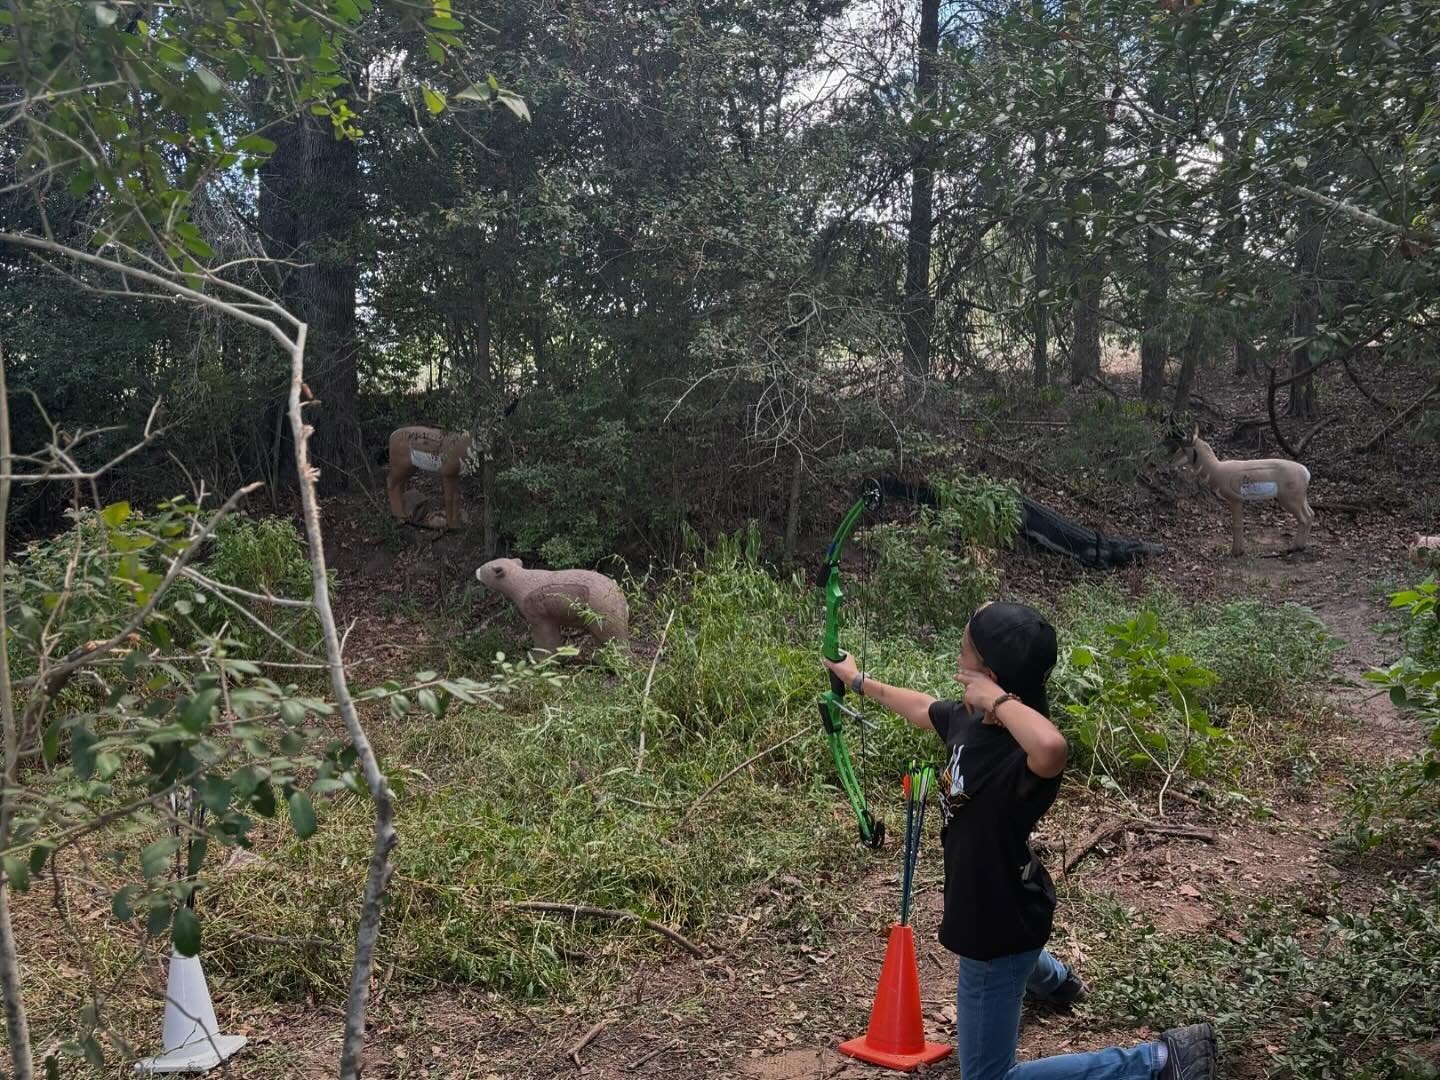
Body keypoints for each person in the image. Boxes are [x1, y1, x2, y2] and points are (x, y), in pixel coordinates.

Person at [823, 601, 1217, 1080]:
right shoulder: (969, 720)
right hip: (1009, 902)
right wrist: (859, 680)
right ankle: (1058, 984)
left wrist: (997, 701)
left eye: (965, 648)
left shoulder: (1023, 754)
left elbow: (1053, 747)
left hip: (993, 927)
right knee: (1022, 956)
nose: (957, 652)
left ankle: (1157, 1062)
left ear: (989, 675)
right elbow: (922, 708)